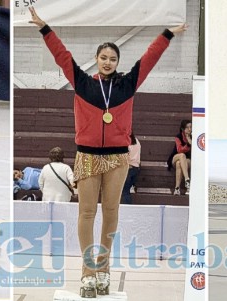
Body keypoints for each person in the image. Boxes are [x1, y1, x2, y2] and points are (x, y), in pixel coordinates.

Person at [28, 6, 188, 298]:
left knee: (111, 212)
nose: (108, 62)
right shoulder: (83, 83)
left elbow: (149, 59)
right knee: (87, 212)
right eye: (103, 57)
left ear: (117, 62)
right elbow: (62, 56)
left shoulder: (128, 84)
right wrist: (45, 28)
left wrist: (166, 35)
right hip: (87, 155)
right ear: (97, 60)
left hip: (117, 157)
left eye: (113, 58)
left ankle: (104, 269)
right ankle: (87, 273)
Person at [167, 119, 191, 195]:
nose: (190, 129)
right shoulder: (178, 137)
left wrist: (189, 139)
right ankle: (187, 179)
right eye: (187, 127)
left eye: (191, 127)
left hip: (188, 160)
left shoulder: (193, 137)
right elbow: (180, 149)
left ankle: (177, 188)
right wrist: (188, 144)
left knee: (179, 164)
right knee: (181, 156)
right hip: (176, 156)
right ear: (183, 129)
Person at [121, 133, 140, 204]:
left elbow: (125, 157)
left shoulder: (126, 142)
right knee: (127, 191)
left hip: (128, 168)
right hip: (136, 168)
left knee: (125, 192)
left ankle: (127, 208)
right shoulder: (137, 141)